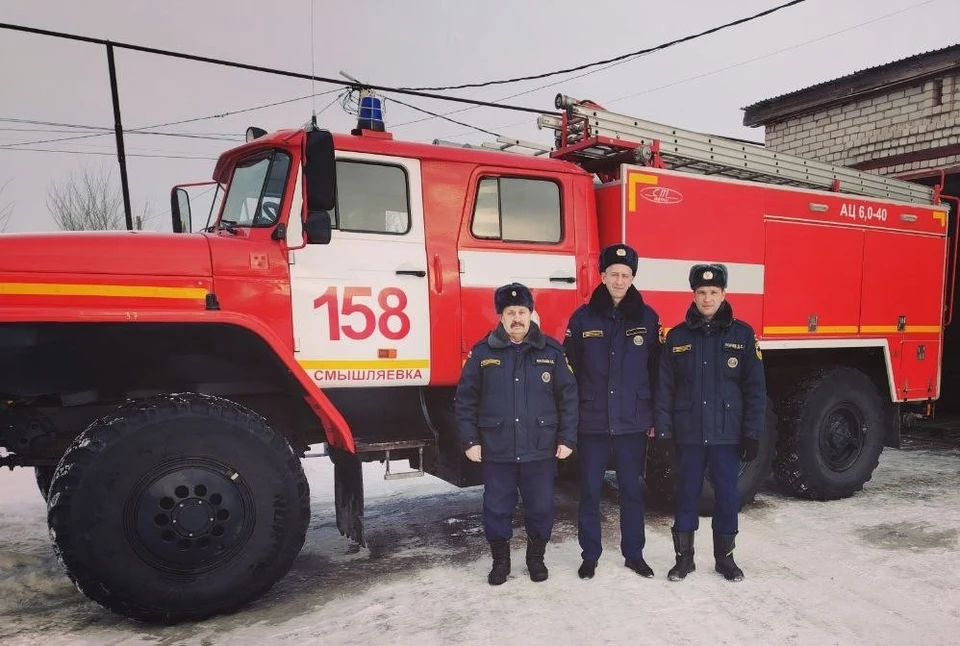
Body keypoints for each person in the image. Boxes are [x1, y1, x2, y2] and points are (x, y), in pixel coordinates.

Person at [455, 282, 579, 586]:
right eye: (510, 312)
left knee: (540, 508)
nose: (517, 318)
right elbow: (465, 400)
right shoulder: (482, 353)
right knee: (497, 508)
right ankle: (501, 562)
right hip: (498, 448)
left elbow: (569, 398)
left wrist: (567, 438)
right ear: (501, 316)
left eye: (522, 312)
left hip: (540, 447)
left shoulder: (551, 351)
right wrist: (470, 440)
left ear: (531, 313)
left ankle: (536, 559)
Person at [654, 263, 766, 582]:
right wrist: (664, 433)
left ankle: (725, 559)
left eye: (713, 292)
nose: (707, 299)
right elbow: (664, 389)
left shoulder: (742, 336)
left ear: (724, 294)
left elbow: (755, 389)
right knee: (686, 494)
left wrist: (752, 433)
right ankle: (684, 560)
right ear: (693, 295)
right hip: (688, 434)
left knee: (727, 496)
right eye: (701, 293)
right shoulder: (676, 337)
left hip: (726, 435)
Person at [563, 243, 662, 580]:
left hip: (633, 421)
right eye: (614, 274)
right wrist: (571, 417)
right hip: (592, 421)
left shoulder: (647, 319)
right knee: (590, 491)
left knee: (632, 491)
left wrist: (653, 417)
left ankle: (634, 554)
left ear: (632, 278)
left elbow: (656, 371)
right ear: (602, 276)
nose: (619, 280)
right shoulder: (582, 318)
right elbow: (569, 371)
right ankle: (590, 554)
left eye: (626, 275)